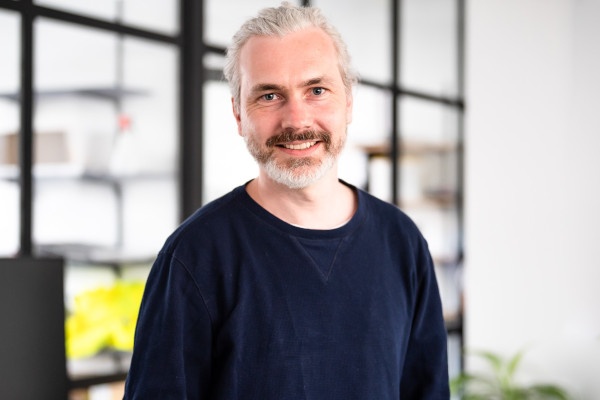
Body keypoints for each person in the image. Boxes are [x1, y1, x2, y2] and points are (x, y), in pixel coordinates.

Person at [123, 2, 449, 399]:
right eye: (269, 95)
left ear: (348, 102)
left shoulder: (402, 241)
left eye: (316, 90)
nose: (296, 120)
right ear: (239, 115)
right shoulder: (195, 255)